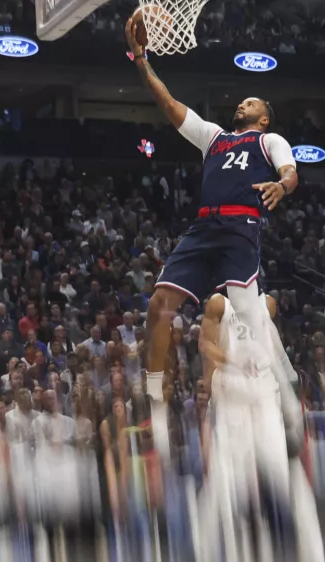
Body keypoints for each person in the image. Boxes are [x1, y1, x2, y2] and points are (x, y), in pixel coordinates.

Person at [124, 11, 298, 417]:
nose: (242, 102)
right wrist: (140, 58)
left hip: (241, 226)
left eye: (251, 102)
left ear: (264, 116)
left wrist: (281, 185)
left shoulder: (269, 139)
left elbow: (290, 171)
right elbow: (167, 103)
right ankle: (154, 391)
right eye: (242, 100)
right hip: (205, 226)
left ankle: (285, 387)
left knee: (251, 320)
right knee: (159, 304)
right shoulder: (214, 137)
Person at [196, 290, 324, 562]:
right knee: (229, 487)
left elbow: (276, 352)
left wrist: (291, 404)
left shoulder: (267, 304)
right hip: (232, 393)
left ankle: (306, 551)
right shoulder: (220, 304)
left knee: (283, 478)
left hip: (264, 393)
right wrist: (227, 366)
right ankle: (219, 552)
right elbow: (206, 345)